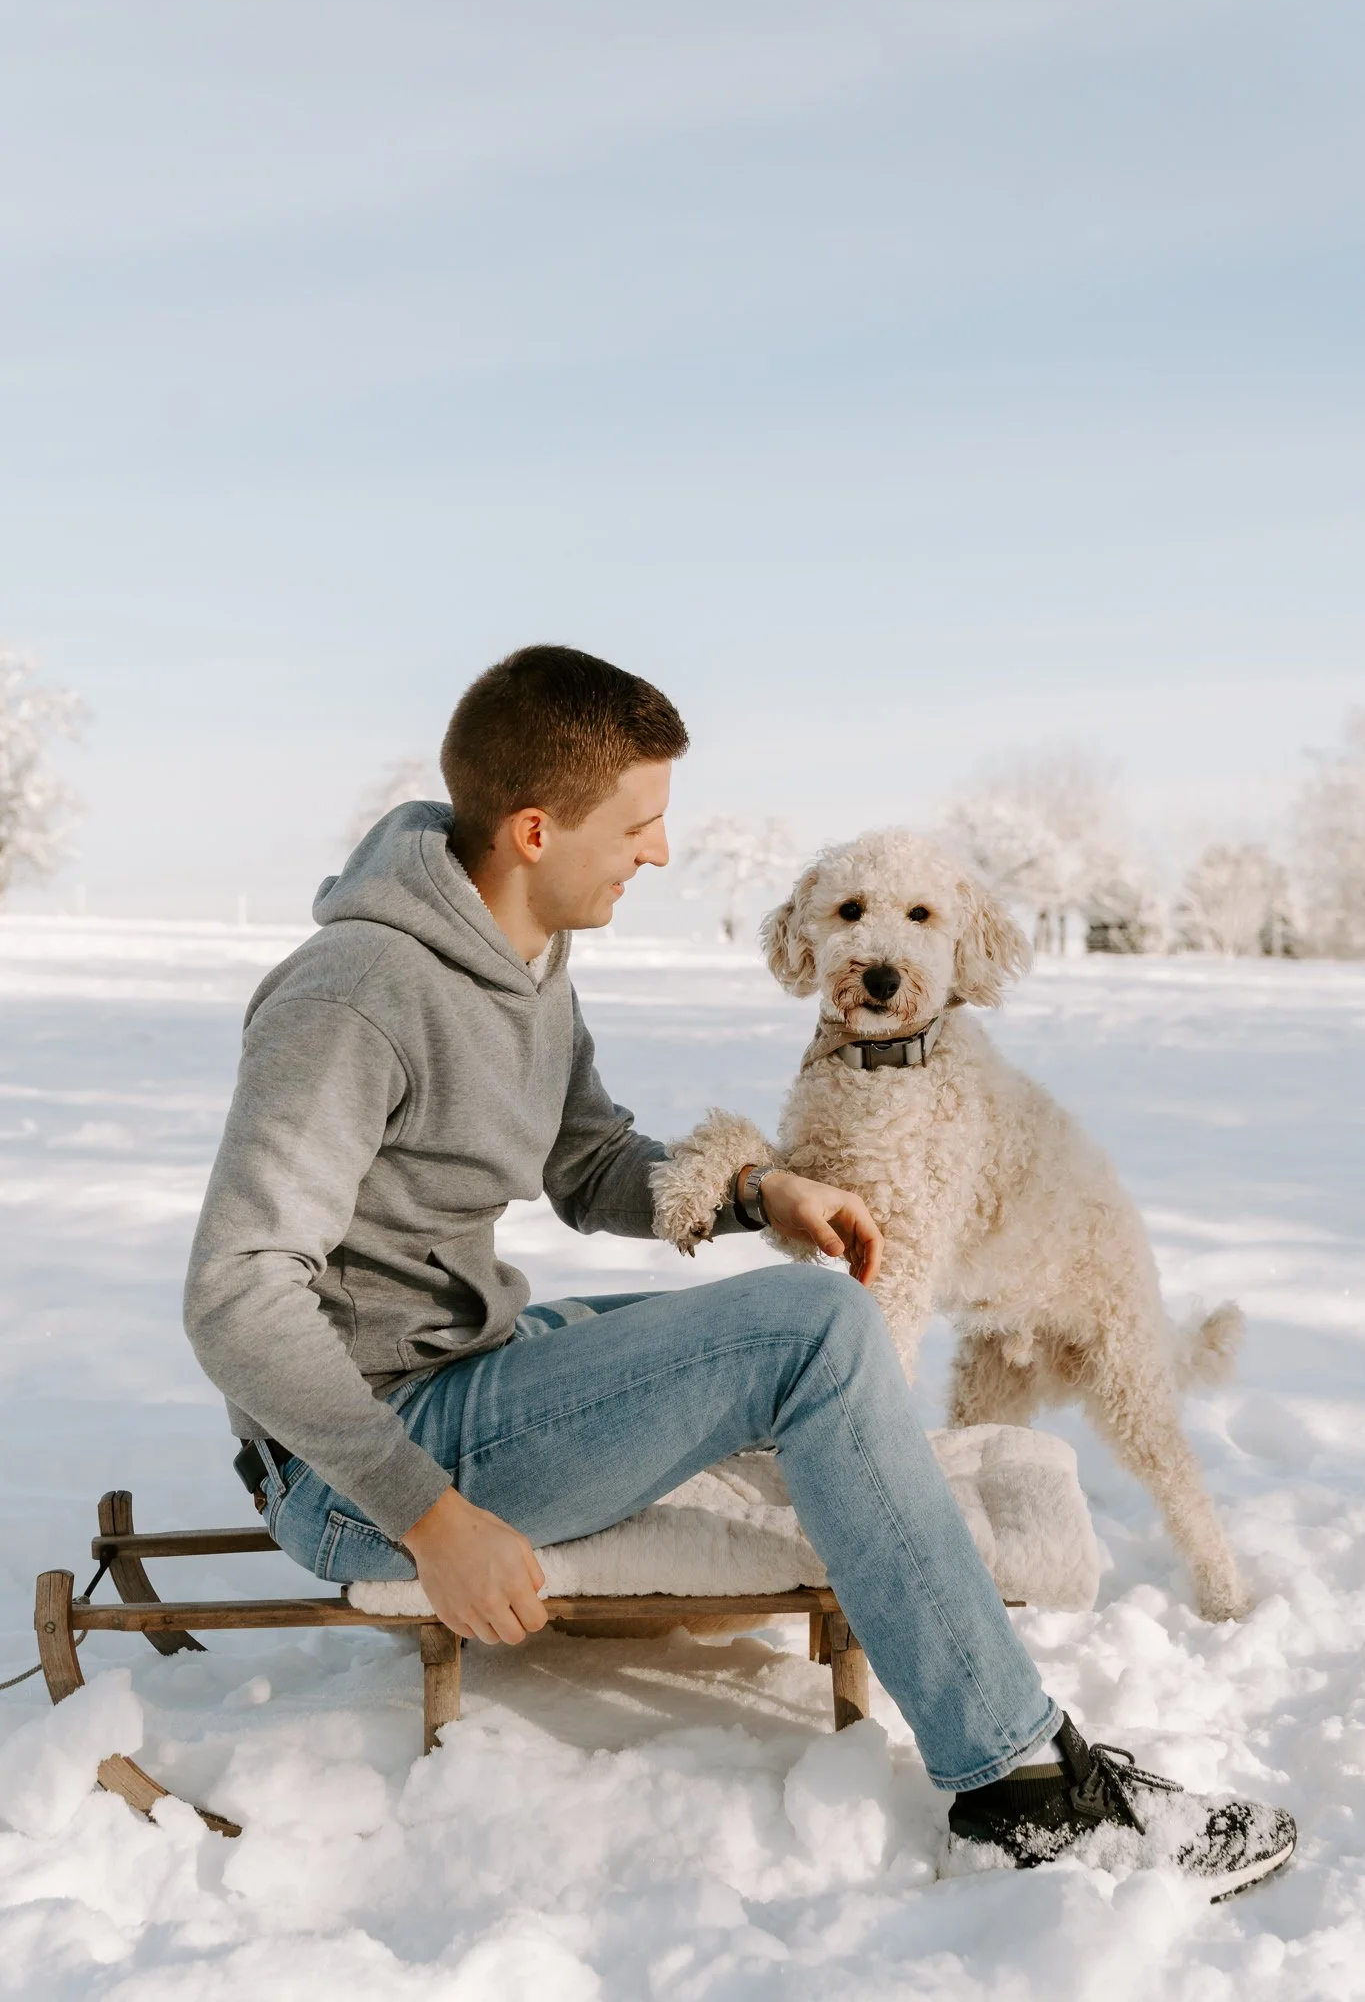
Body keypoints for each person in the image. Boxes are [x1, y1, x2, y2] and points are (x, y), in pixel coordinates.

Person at [184, 645, 1294, 1897]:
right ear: (538, 829)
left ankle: (988, 1702)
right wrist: (429, 1518)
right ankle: (1022, 1780)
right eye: (641, 823)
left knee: (766, 1332)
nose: (659, 852)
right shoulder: (354, 998)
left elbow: (588, 1156)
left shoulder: (525, 960)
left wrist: (768, 1191)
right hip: (366, 1463)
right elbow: (235, 1291)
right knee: (815, 1329)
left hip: (468, 1366)